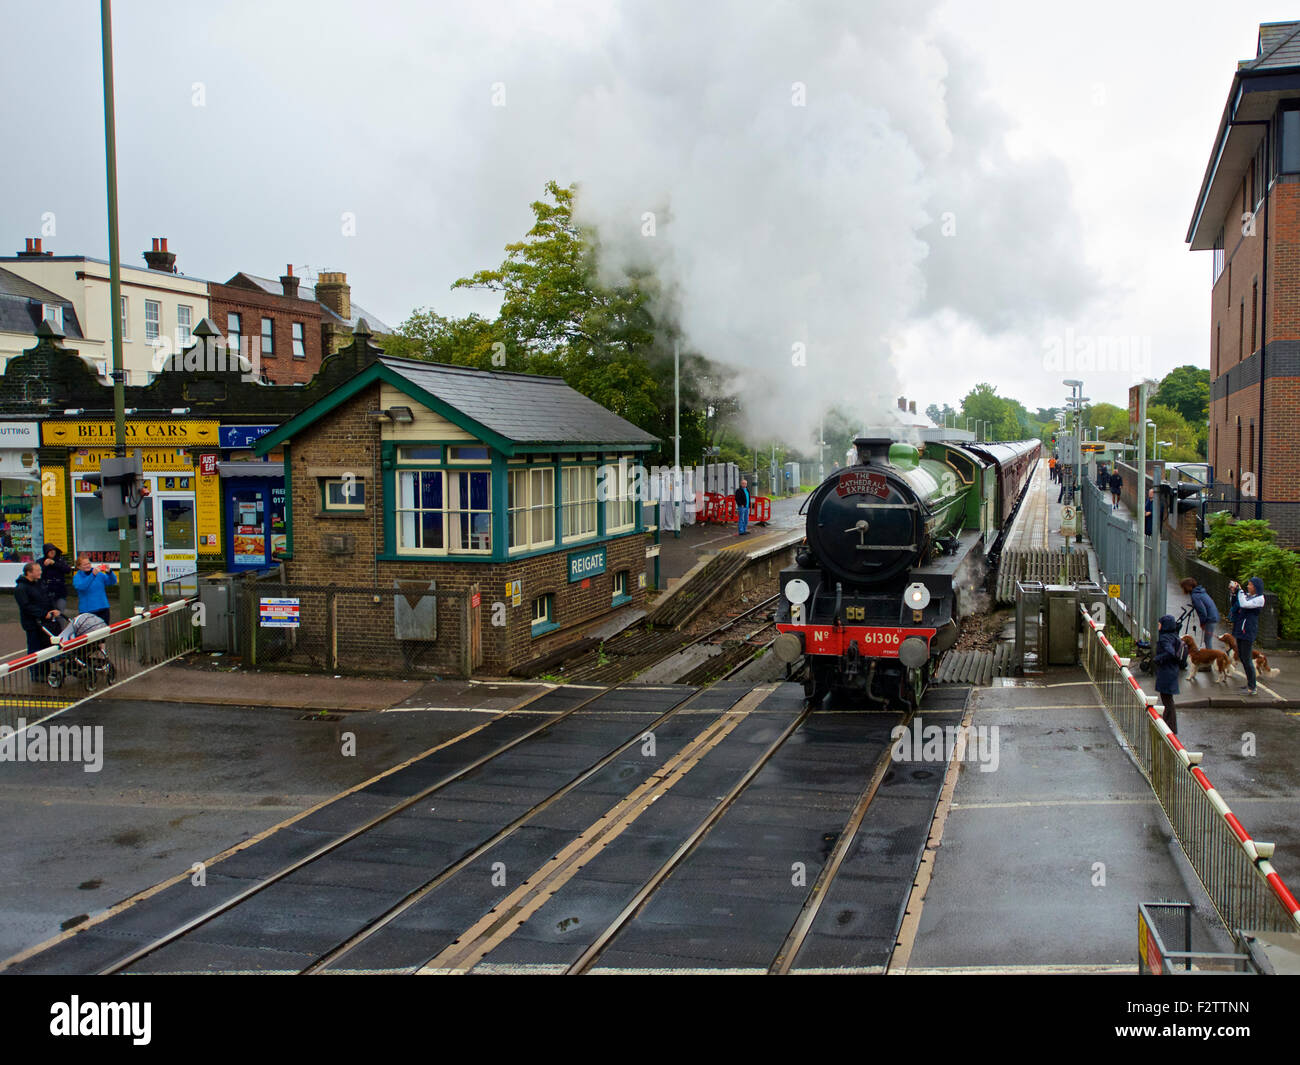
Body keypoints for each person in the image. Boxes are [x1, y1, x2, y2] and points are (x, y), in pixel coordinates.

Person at [15, 560, 61, 681]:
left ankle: (45, 672)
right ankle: (36, 674)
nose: (41, 572)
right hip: (32, 624)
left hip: (44, 622)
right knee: (34, 648)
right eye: (38, 570)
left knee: (45, 647)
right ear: (29, 573)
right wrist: (43, 614)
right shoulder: (21, 588)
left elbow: (47, 597)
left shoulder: (39, 583)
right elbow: (26, 606)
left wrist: (53, 609)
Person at [1228, 577, 1265, 696]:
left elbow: (1244, 604)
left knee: (1247, 659)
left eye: (1250, 585)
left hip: (1248, 631)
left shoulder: (1259, 599)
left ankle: (1252, 687)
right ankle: (1249, 684)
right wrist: (1234, 593)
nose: (1248, 586)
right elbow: (1237, 604)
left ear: (1256, 587)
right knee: (1243, 658)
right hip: (1241, 629)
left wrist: (1240, 591)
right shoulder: (1249, 595)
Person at [1153, 613, 1182, 734]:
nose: (1158, 626)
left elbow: (1170, 652)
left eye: (1160, 624)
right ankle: (1167, 724)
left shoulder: (1165, 638)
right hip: (1172, 670)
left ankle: (1170, 727)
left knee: (1167, 700)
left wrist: (1158, 658)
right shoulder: (1173, 636)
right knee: (1167, 699)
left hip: (1166, 671)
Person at [72, 554, 117, 625]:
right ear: (79, 567)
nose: (88, 565)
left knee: (104, 631)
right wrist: (92, 575)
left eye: (88, 563)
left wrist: (109, 572)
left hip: (103, 608)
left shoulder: (99, 574)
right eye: (84, 564)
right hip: (87, 611)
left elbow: (112, 582)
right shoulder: (77, 577)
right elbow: (82, 587)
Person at [1181, 577, 1220, 651]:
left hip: (1210, 618)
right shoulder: (1200, 592)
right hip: (1213, 616)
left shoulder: (1195, 596)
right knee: (1207, 640)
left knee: (1207, 640)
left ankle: (1210, 658)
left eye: (1183, 587)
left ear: (1188, 587)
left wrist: (1202, 623)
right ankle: (1210, 657)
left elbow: (1202, 611)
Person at [40, 543, 72, 614]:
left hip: (60, 591)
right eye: (50, 550)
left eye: (53, 550)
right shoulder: (41, 561)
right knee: (48, 612)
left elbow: (67, 570)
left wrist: (54, 563)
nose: (52, 552)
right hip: (47, 591)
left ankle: (61, 625)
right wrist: (45, 565)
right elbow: (39, 574)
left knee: (60, 612)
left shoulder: (60, 560)